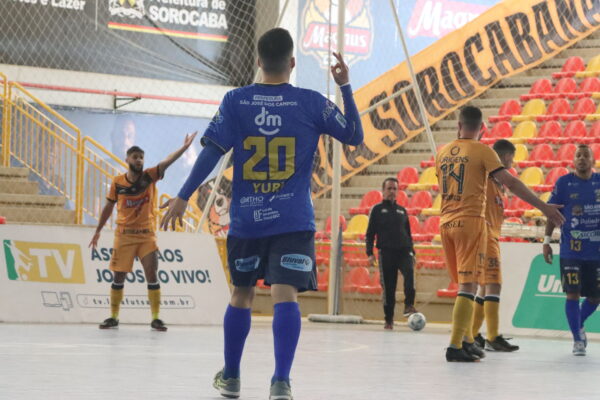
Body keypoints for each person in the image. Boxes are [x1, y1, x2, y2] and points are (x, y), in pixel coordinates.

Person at [160, 28, 363, 400]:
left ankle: (232, 377)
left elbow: (211, 151)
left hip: (247, 221)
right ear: (292, 62)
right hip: (293, 220)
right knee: (285, 295)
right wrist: (345, 86)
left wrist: (183, 196)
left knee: (241, 294)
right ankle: (281, 381)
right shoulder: (310, 102)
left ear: (258, 61)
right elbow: (353, 134)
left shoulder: (236, 101)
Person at [436, 106, 564, 362]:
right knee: (469, 286)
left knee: (465, 286)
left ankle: (468, 340)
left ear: (458, 125)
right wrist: (544, 207)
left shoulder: (442, 153)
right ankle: (455, 346)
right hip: (470, 221)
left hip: (445, 222)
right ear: (482, 128)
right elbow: (512, 182)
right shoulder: (483, 151)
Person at [89, 132, 197, 331]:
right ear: (127, 160)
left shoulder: (149, 176)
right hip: (124, 236)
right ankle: (113, 316)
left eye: (141, 157)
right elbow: (108, 207)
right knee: (118, 278)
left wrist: (184, 148)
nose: (139, 160)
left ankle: (156, 318)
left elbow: (167, 162)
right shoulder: (118, 183)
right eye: (135, 157)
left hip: (146, 236)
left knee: (151, 274)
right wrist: (97, 231)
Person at [543, 144, 600, 356]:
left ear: (593, 161)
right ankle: (577, 340)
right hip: (571, 250)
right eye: (578, 155)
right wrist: (547, 241)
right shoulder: (564, 183)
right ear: (573, 161)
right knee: (572, 293)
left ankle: (578, 323)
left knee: (595, 297)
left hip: (596, 251)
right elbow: (552, 213)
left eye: (586, 155)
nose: (582, 158)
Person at [471, 139, 519, 352]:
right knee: (494, 284)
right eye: (512, 158)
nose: (512, 162)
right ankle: (492, 337)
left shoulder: (499, 185)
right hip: (485, 235)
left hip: (491, 236)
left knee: (484, 287)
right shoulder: (486, 179)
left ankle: (472, 335)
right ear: (506, 157)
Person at [365, 177, 417, 330]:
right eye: (389, 188)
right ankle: (389, 319)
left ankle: (409, 305)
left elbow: (408, 233)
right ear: (383, 190)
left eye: (395, 188)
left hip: (404, 251)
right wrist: (369, 253)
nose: (392, 191)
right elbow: (370, 233)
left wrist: (412, 252)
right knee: (389, 288)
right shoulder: (377, 210)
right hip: (386, 253)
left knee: (410, 275)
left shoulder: (402, 211)